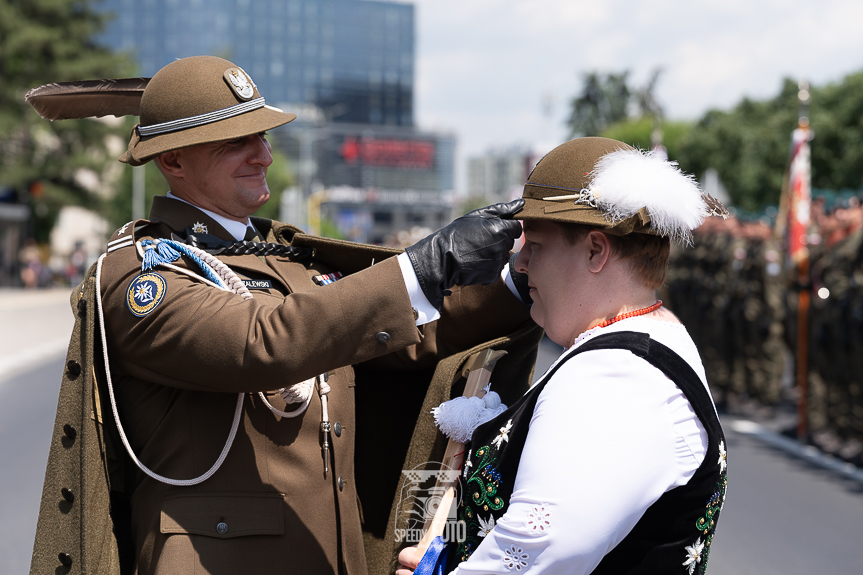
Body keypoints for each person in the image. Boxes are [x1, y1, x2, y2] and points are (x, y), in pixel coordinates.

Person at [29, 56, 540, 575]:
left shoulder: (286, 259)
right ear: (175, 160)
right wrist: (426, 265)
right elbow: (265, 343)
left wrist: (525, 280)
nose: (264, 155)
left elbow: (404, 339)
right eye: (237, 141)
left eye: (263, 136)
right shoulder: (142, 277)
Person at [399, 137, 729, 574]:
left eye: (536, 245)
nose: (521, 263)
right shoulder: (636, 346)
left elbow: (540, 550)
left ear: (596, 250)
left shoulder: (617, 375)